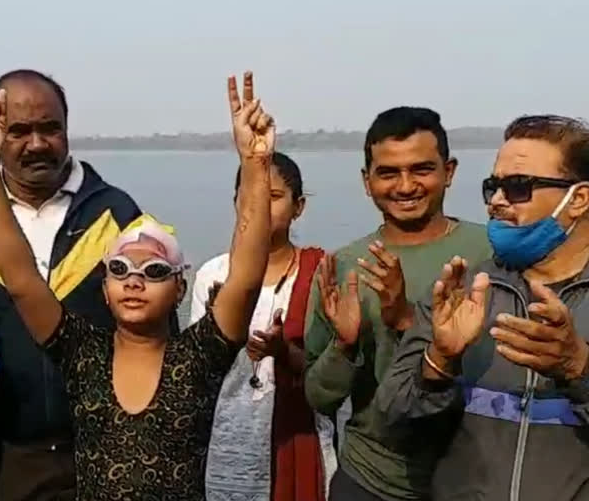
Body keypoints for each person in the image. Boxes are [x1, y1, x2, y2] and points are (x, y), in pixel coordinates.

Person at [0, 71, 274, 499]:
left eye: (156, 272)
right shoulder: (81, 353)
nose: (135, 281)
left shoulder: (200, 356)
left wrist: (255, 165)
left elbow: (246, 275)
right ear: (103, 288)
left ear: (180, 290)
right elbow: (21, 280)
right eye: (121, 269)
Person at [0, 69, 144, 500]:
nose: (37, 144)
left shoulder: (117, 214)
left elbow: (153, 335)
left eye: (51, 129)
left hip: (101, 450)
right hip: (2, 455)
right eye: (19, 131)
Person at [378, 115, 589, 501]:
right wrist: (439, 362)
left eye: (518, 186)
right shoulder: (463, 292)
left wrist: (579, 369)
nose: (496, 201)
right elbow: (393, 421)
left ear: (577, 199)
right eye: (493, 186)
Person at [304, 107, 491, 500]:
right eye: (388, 173)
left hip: (475, 478)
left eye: (422, 169)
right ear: (366, 181)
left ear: (450, 171)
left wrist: (406, 319)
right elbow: (320, 398)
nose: (405, 186)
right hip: (370, 478)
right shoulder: (343, 268)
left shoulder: (490, 254)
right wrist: (345, 345)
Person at [189, 151, 336, 501]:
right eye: (250, 195)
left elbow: (332, 373)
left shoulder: (320, 274)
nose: (260, 207)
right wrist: (220, 334)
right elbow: (197, 374)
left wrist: (282, 351)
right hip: (227, 438)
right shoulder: (214, 276)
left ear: (298, 206)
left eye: (273, 197)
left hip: (298, 436)